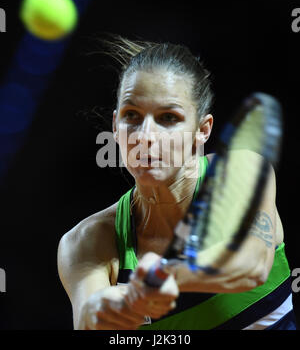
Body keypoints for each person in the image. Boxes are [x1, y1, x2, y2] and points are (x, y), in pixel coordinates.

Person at [57, 35, 298, 330]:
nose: (145, 135)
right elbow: (87, 316)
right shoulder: (86, 242)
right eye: (131, 115)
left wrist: (166, 275)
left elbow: (251, 265)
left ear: (202, 130)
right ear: (114, 126)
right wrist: (107, 308)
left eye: (168, 118)